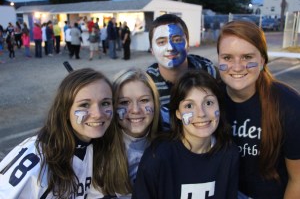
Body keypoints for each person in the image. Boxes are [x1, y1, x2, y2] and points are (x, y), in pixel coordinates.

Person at [217, 20, 300, 198]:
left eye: (247, 57)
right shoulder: (210, 101)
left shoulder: (290, 105)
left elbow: (298, 179)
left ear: (262, 60)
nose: (237, 67)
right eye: (227, 58)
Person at [0, 68, 114, 198]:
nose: (98, 114)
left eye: (105, 103)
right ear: (65, 110)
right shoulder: (38, 158)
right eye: (84, 105)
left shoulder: (98, 147)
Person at [132, 69, 239, 199]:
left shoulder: (229, 153)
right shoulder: (158, 157)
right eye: (189, 106)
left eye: (209, 103)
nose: (201, 113)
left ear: (219, 107)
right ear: (178, 113)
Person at [89, 68, 161, 198]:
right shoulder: (98, 149)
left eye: (144, 100)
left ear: (155, 102)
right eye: (124, 102)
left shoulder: (171, 136)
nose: (135, 110)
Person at [146, 14, 218, 131]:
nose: (170, 48)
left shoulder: (210, 72)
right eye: (161, 42)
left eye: (177, 40)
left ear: (187, 45)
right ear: (152, 50)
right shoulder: (146, 84)